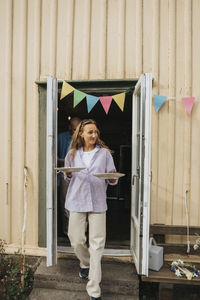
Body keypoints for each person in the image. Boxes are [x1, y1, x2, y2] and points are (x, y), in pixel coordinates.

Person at [64, 119, 118, 300]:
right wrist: (68, 174)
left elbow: (112, 175)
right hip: (77, 200)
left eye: (95, 132)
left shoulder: (104, 154)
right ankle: (85, 263)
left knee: (97, 245)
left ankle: (94, 290)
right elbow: (68, 176)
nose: (94, 135)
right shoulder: (72, 153)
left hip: (97, 201)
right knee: (76, 239)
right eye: (90, 132)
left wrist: (112, 179)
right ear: (81, 134)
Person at [57, 117, 81, 235]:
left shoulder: (84, 138)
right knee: (65, 204)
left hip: (81, 175)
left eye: (78, 129)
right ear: (69, 128)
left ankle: (80, 231)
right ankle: (68, 232)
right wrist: (62, 161)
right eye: (73, 129)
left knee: (80, 203)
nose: (75, 132)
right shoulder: (60, 137)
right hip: (64, 174)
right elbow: (52, 154)